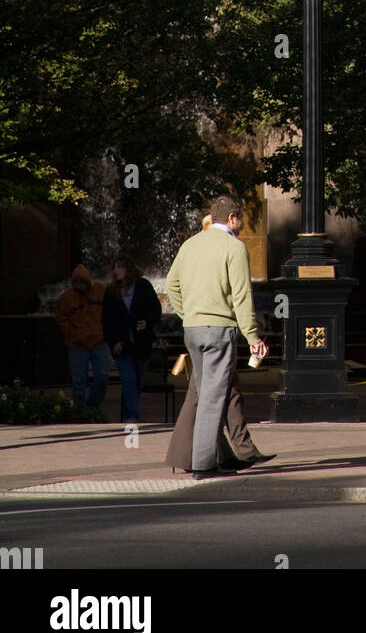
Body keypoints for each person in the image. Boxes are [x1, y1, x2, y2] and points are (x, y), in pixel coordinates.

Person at [165, 195, 268, 480]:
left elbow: (172, 284)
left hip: (192, 330)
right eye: (241, 218)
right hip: (219, 329)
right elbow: (242, 296)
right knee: (213, 398)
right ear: (232, 218)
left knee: (203, 392)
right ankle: (203, 464)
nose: (242, 224)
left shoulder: (190, 244)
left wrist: (187, 315)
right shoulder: (234, 248)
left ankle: (221, 456)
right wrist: (252, 336)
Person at [102, 253, 163, 424]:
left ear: (128, 268)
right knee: (129, 381)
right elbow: (106, 320)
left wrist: (147, 323)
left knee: (135, 384)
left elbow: (156, 310)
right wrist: (113, 341)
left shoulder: (143, 286)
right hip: (122, 347)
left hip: (141, 345)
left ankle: (128, 418)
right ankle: (132, 421)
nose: (116, 271)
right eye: (114, 268)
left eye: (120, 267)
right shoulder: (111, 292)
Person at [55, 264, 112, 410]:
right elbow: (61, 319)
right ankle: (80, 411)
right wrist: (73, 334)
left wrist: (105, 331)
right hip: (77, 344)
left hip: (99, 341)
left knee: (102, 375)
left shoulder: (101, 290)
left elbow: (113, 311)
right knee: (78, 381)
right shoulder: (66, 297)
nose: (81, 288)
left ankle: (93, 406)